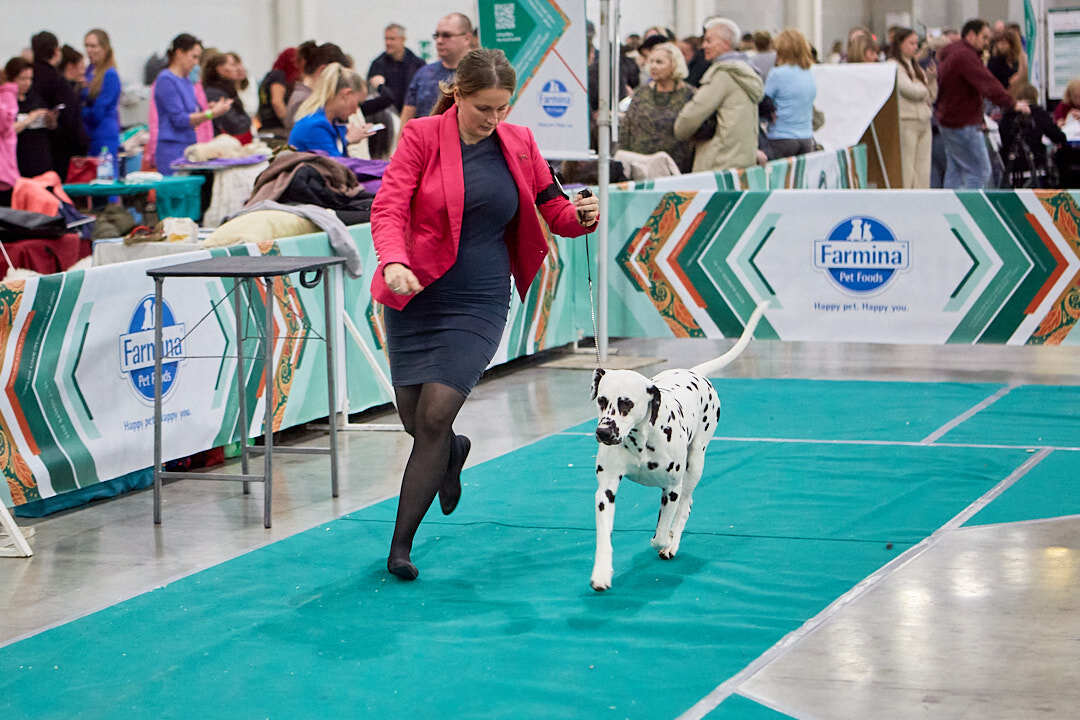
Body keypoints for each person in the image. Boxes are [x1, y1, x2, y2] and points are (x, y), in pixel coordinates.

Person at [370, 48, 600, 581]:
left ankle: (400, 548)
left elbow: (554, 208)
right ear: (459, 94)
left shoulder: (519, 142)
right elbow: (388, 206)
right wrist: (395, 260)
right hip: (415, 293)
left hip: (480, 297)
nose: (494, 119)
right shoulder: (422, 136)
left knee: (432, 416)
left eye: (502, 108)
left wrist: (582, 215)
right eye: (484, 108)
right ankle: (453, 454)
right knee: (414, 419)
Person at [936, 19, 1030, 189]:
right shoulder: (965, 56)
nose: (988, 42)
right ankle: (969, 211)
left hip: (948, 121)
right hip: (963, 122)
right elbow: (987, 83)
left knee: (955, 171)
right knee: (979, 171)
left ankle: (949, 209)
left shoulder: (952, 52)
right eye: (984, 37)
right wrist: (1011, 103)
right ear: (971, 35)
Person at [673, 18, 764, 172]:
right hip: (742, 159)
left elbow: (691, 116)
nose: (703, 46)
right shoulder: (747, 72)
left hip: (718, 161)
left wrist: (679, 131)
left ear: (726, 43)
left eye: (709, 40)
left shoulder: (723, 75)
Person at [154, 34, 232, 175]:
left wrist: (210, 108)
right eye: (193, 57)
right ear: (179, 53)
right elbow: (180, 119)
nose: (196, 63)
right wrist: (211, 113)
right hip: (172, 150)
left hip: (189, 145)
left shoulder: (187, 81)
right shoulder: (166, 80)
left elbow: (192, 112)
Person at [620, 42, 695, 173]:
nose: (653, 66)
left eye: (659, 62)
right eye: (651, 61)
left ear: (674, 65)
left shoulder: (690, 95)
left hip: (677, 168)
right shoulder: (641, 93)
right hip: (641, 166)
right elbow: (627, 127)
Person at [30, 31, 87, 180]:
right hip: (57, 150)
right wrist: (82, 146)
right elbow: (71, 120)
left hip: (26, 148)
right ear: (56, 51)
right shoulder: (58, 82)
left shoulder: (27, 78)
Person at [400, 13, 473, 126]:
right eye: (436, 35)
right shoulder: (423, 74)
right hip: (425, 141)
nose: (439, 41)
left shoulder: (479, 73)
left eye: (446, 35)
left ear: (467, 38)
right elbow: (407, 118)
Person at [288, 63, 374, 156]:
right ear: (346, 94)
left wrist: (346, 140)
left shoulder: (328, 122)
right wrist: (346, 140)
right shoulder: (315, 126)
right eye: (358, 103)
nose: (356, 110)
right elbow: (336, 166)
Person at [888, 28, 935, 188]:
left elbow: (931, 95)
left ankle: (922, 200)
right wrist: (924, 86)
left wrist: (931, 79)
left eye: (917, 43)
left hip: (924, 121)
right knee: (907, 168)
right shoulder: (893, 65)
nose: (915, 47)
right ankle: (906, 199)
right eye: (911, 43)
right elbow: (910, 91)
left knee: (923, 168)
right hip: (906, 122)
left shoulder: (916, 66)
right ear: (900, 44)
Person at [761, 28, 817, 160]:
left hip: (781, 137)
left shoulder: (777, 73)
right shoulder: (809, 73)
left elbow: (763, 100)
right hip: (806, 138)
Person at [998, 82, 1066, 184]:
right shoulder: (1038, 113)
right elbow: (1058, 137)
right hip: (1034, 163)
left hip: (1010, 165)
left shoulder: (1007, 115)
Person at [2, 58, 47, 205]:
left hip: (28, 159)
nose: (27, 83)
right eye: (23, 79)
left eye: (30, 79)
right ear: (12, 77)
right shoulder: (7, 97)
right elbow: (6, 129)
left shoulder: (33, 96)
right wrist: (30, 119)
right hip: (10, 163)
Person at [368, 23, 426, 114]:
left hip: (413, 115)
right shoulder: (377, 64)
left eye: (392, 39)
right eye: (386, 39)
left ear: (403, 40)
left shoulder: (418, 64)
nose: (388, 43)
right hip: (387, 117)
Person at [81, 29, 121, 161]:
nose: (89, 50)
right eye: (86, 46)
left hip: (103, 135)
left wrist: (80, 111)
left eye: (93, 46)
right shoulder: (88, 71)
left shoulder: (110, 75)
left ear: (104, 48)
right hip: (89, 134)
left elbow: (98, 112)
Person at [202, 52, 253, 143]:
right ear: (220, 69)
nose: (236, 69)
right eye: (233, 65)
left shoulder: (228, 91)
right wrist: (247, 120)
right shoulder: (215, 93)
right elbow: (235, 125)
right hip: (220, 145)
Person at [256, 48, 299, 138]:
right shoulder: (278, 76)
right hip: (277, 129)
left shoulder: (270, 76)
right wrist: (291, 126)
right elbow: (277, 103)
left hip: (267, 127)